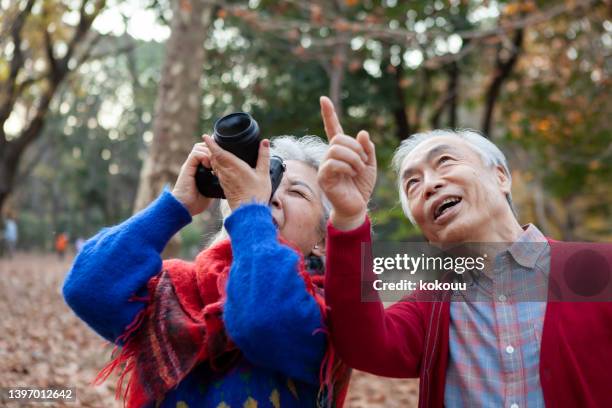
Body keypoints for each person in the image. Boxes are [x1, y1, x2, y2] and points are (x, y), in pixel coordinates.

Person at [316, 96, 612, 408]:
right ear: (426, 230)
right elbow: (364, 345)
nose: (429, 184)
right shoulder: (430, 306)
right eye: (412, 185)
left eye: (444, 161)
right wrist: (348, 217)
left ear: (501, 177)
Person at [63, 134, 349, 408]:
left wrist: (251, 209)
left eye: (297, 192)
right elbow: (87, 288)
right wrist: (175, 205)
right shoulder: (181, 288)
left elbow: (261, 318)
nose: (270, 197)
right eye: (268, 184)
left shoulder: (331, 313)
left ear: (323, 239)